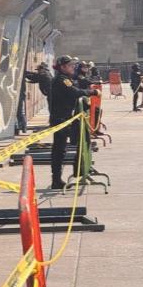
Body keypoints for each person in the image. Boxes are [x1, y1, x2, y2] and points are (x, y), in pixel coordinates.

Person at [48, 55, 101, 189]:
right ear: (63, 67)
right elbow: (74, 92)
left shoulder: (67, 78)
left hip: (67, 118)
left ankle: (79, 170)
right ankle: (57, 180)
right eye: (70, 65)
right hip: (61, 119)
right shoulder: (61, 80)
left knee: (76, 142)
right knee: (60, 150)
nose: (73, 67)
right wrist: (92, 92)